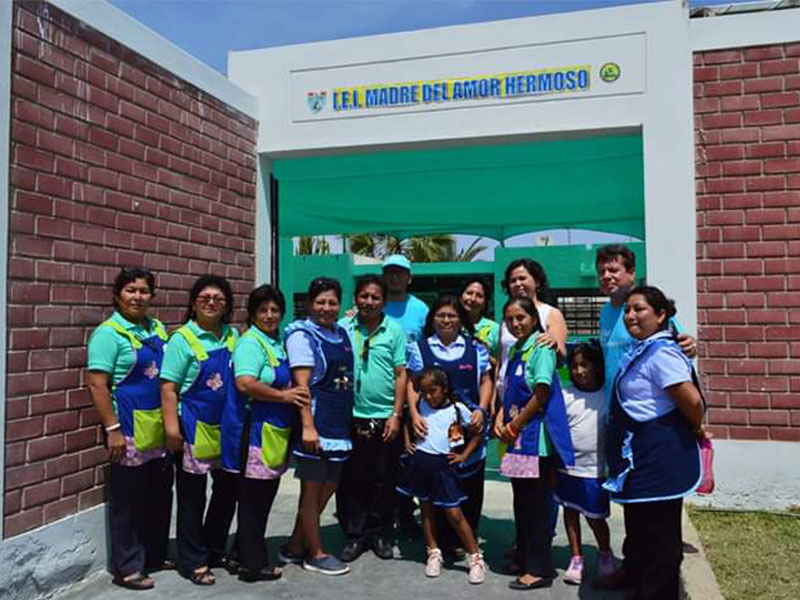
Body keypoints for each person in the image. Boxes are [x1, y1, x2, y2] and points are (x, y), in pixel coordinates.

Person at [599, 286, 705, 600]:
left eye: (639, 309)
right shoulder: (643, 348)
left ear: (660, 316)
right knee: (641, 530)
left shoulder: (661, 353)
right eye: (628, 310)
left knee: (660, 540)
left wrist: (694, 429)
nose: (631, 315)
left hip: (659, 459)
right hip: (640, 458)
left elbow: (693, 404)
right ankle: (638, 583)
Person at [86, 267, 173, 591]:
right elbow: (97, 385)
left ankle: (153, 555)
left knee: (159, 495)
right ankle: (127, 566)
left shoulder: (157, 328)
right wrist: (113, 429)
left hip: (159, 428)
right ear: (117, 295)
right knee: (128, 501)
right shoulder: (108, 334)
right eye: (131, 290)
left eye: (144, 291)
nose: (138, 296)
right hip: (129, 431)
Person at [222, 285, 310, 582]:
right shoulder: (251, 343)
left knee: (260, 498)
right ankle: (253, 564)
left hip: (272, 433)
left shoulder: (276, 342)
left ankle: (237, 553)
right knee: (253, 502)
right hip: (253, 433)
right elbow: (245, 383)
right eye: (263, 310)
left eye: (274, 310)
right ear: (252, 313)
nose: (269, 315)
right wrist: (284, 397)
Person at [160, 275, 239, 585]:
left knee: (227, 490)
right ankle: (192, 560)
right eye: (204, 297)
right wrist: (171, 430)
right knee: (193, 496)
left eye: (218, 298)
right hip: (192, 428)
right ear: (193, 303)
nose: (211, 302)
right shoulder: (182, 339)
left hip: (227, 428)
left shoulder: (234, 336)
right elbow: (168, 388)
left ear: (227, 305)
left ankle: (214, 546)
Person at [495, 297, 574, 591]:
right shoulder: (517, 349)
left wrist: (515, 425)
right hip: (517, 443)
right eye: (510, 319)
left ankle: (540, 569)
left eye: (521, 318)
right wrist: (502, 419)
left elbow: (540, 393)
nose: (516, 324)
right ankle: (524, 557)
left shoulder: (541, 347)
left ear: (533, 319)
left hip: (534, 442)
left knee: (537, 506)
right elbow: (509, 393)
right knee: (522, 503)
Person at [407, 296, 493, 556]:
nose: (446, 320)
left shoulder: (476, 348)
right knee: (434, 488)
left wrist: (482, 409)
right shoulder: (419, 349)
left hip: (469, 428)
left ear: (461, 320)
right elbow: (412, 384)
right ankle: (439, 544)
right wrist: (413, 414)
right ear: (432, 319)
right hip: (434, 432)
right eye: (441, 315)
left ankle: (465, 542)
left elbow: (486, 381)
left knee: (469, 486)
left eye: (452, 315)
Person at [281, 277, 354, 576]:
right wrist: (308, 427)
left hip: (340, 427)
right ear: (310, 304)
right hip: (316, 425)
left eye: (332, 302)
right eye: (320, 302)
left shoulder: (340, 333)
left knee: (328, 489)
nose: (326, 308)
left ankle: (296, 545)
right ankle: (316, 552)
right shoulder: (302, 336)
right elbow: (302, 388)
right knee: (311, 493)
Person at [336, 276, 408, 562]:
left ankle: (379, 534)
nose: (368, 302)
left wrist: (396, 414)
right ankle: (355, 535)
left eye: (375, 297)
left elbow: (401, 374)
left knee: (383, 479)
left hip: (383, 418)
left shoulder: (394, 330)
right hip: (349, 416)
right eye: (364, 296)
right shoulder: (343, 328)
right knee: (351, 479)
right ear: (355, 298)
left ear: (384, 302)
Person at [397, 367, 486, 584]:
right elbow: (408, 421)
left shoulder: (458, 410)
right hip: (421, 465)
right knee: (426, 510)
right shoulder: (420, 406)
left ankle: (475, 557)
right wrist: (408, 441)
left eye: (433, 391)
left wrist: (464, 455)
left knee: (454, 514)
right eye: (424, 391)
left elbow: (478, 433)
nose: (428, 396)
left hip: (445, 469)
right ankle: (433, 552)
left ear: (444, 389)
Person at [595, 244, 696, 402]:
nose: (606, 276)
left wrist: (690, 346)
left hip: (649, 413)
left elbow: (683, 346)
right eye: (601, 272)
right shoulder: (604, 312)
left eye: (613, 270)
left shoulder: (647, 309)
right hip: (614, 409)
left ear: (632, 273)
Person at [553, 342, 615, 585]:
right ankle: (576, 558)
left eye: (584, 365)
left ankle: (605, 554)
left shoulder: (606, 394)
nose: (578, 371)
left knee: (596, 517)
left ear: (597, 366)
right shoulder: (566, 394)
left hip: (595, 469)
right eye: (574, 366)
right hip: (566, 467)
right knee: (570, 512)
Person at [382, 254, 429, 343]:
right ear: (383, 277)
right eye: (390, 272)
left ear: (409, 278)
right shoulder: (374, 306)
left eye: (399, 273)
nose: (394, 277)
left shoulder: (421, 309)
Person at [459, 277, 500, 361]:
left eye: (479, 296)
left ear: (485, 303)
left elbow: (501, 364)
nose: (473, 299)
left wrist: (484, 355)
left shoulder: (494, 329)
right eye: (469, 293)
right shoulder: (451, 324)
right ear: (460, 297)